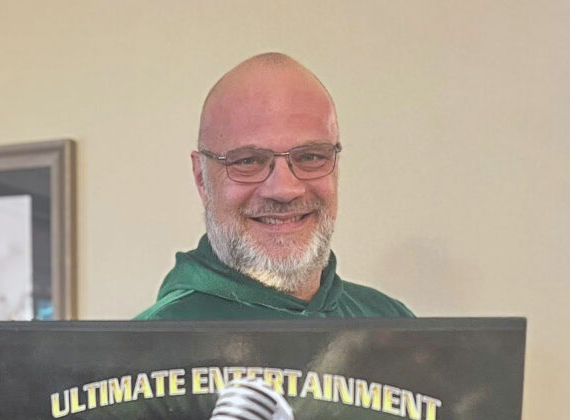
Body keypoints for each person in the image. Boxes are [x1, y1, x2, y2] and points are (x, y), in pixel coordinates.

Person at [137, 52, 412, 321]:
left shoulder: (393, 328)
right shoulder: (152, 349)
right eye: (248, 161)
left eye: (310, 157)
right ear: (201, 178)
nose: (284, 190)